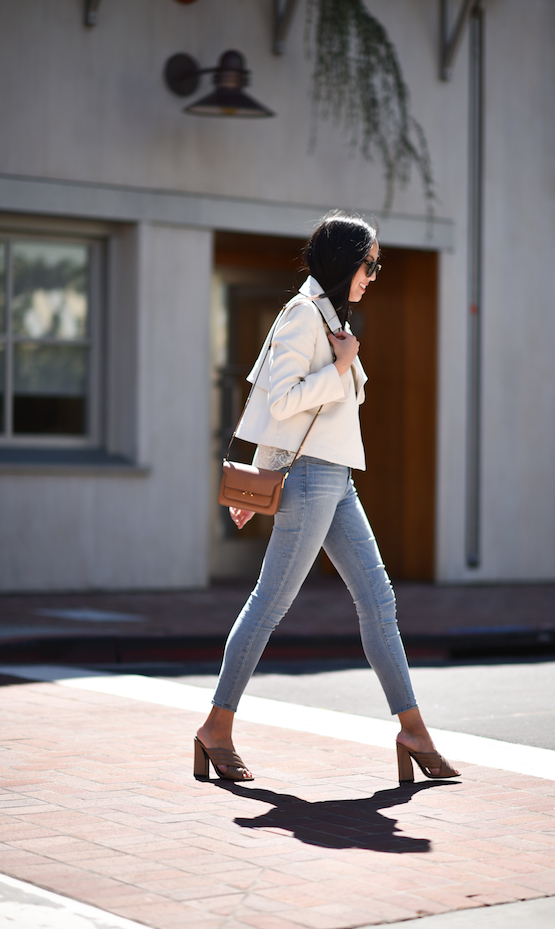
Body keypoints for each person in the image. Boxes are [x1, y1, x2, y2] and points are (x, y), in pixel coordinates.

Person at [194, 211, 459, 785]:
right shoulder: (300, 315)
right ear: (345, 263)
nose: (373, 275)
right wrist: (338, 367)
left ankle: (413, 730)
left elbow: (309, 406)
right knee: (271, 603)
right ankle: (216, 728)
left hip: (337, 479)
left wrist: (341, 364)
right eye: (370, 264)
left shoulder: (328, 316)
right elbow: (278, 401)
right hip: (312, 477)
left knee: (379, 599)